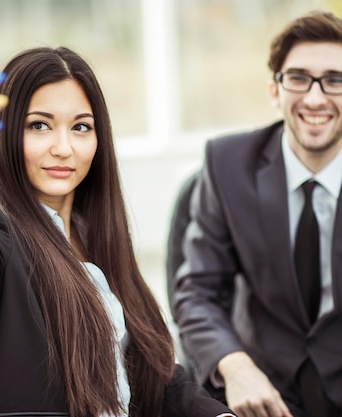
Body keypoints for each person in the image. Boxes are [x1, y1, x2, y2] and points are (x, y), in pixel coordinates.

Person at [0, 33, 236, 417]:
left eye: (81, 127)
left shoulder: (97, 239)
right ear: (6, 135)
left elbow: (158, 378)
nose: (63, 147)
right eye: (39, 126)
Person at [172, 10, 342, 417]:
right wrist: (234, 364)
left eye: (335, 80)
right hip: (262, 395)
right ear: (274, 90)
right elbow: (196, 292)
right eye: (299, 78)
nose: (315, 98)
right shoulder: (226, 164)